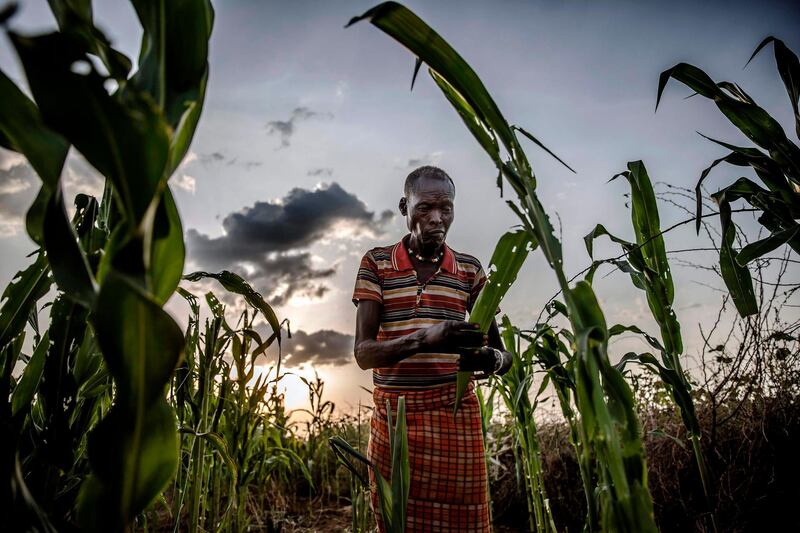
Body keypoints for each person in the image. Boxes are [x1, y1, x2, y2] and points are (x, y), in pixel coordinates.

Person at [351, 165, 512, 532]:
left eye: (446, 209)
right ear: (404, 207)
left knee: (466, 521)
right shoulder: (376, 264)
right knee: (396, 522)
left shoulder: (469, 270)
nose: (437, 219)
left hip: (454, 415)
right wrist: (426, 338)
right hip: (395, 420)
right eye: (425, 208)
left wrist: (490, 359)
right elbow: (363, 354)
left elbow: (506, 357)